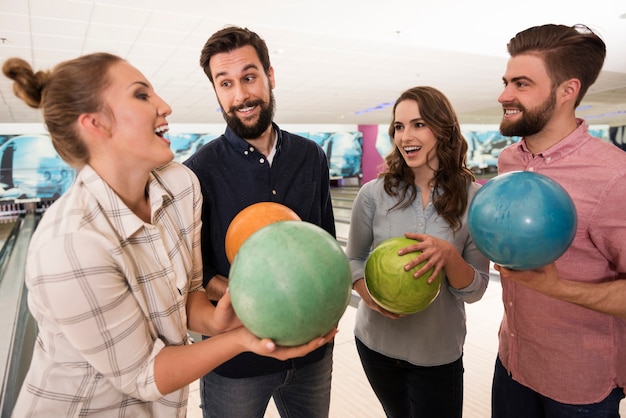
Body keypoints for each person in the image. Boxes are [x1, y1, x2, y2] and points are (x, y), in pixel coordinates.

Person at [2, 53, 336, 418]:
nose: (165, 105)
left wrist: (216, 320)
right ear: (95, 124)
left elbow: (187, 296)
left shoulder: (180, 186)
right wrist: (242, 339)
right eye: (142, 95)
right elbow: (144, 374)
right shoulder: (68, 245)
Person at [183, 26, 336, 418]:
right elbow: (195, 276)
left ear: (270, 76)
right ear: (216, 92)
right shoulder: (197, 173)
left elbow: (326, 246)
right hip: (236, 362)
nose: (241, 95)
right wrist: (255, 294)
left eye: (249, 77)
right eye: (226, 83)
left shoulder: (311, 156)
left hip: (311, 356)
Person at [491, 23, 626, 418]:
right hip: (513, 362)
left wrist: (557, 287)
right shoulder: (509, 161)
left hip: (579, 386)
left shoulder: (614, 176)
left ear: (568, 90)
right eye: (505, 82)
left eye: (521, 84)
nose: (504, 95)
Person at [346, 86, 490, 418]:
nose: (405, 135)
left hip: (437, 352)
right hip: (375, 344)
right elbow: (353, 260)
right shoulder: (373, 195)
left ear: (443, 129)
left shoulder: (476, 200)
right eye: (399, 126)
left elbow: (476, 290)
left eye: (419, 124)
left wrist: (450, 258)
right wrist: (371, 297)